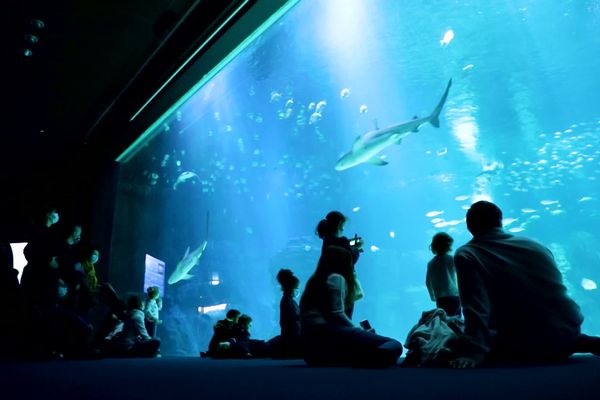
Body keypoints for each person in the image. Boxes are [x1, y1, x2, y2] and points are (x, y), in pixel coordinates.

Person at [451, 200, 600, 368]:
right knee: (548, 330)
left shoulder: (468, 254)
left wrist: (473, 353)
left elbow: (475, 308)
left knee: (450, 337)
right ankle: (575, 341)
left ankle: (543, 343)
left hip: (526, 343)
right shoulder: (536, 246)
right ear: (500, 221)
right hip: (568, 330)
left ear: (469, 226)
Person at [300, 245, 403, 367]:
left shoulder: (314, 280)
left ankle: (360, 357)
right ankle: (371, 359)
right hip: (327, 331)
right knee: (394, 344)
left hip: (310, 340)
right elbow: (336, 314)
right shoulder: (336, 278)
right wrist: (357, 330)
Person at [316, 211, 364, 318]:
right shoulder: (342, 241)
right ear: (339, 225)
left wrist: (349, 245)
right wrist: (356, 248)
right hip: (344, 284)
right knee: (346, 314)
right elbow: (350, 260)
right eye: (343, 225)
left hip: (329, 284)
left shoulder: (327, 241)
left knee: (334, 315)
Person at [268, 269, 302, 359]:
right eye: (297, 288)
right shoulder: (287, 301)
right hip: (292, 336)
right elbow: (290, 319)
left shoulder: (289, 300)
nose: (298, 290)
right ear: (291, 287)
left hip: (293, 334)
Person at [426, 232, 461, 317]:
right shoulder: (451, 259)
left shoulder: (431, 263)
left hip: (440, 298)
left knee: (444, 321)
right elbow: (461, 276)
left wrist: (433, 296)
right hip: (454, 296)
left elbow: (427, 282)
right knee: (456, 320)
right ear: (448, 245)